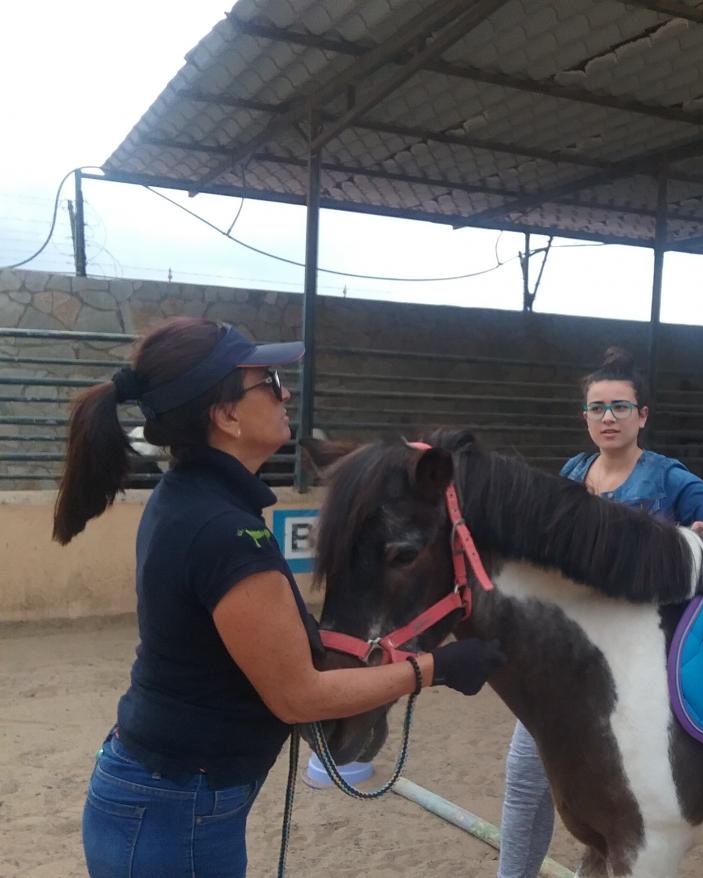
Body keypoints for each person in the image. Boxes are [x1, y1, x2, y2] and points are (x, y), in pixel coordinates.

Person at [55, 317, 506, 878]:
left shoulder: (193, 499)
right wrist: (436, 667)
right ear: (226, 416)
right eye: (267, 381)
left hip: (165, 797)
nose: (284, 392)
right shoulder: (223, 529)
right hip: (178, 812)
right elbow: (299, 697)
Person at [497, 347, 703, 878]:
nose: (608, 417)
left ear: (642, 415)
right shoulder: (572, 472)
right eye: (597, 407)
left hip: (636, 667)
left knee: (616, 789)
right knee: (525, 781)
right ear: (584, 416)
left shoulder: (667, 477)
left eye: (620, 407)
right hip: (563, 656)